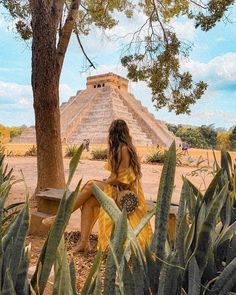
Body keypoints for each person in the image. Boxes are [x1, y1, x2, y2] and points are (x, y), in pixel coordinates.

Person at [43, 119, 152, 252]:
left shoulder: (124, 149)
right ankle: (83, 243)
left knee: (90, 185)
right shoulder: (118, 149)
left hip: (125, 191)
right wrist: (107, 180)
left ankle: (60, 218)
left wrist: (106, 182)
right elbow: (115, 175)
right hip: (116, 188)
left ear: (113, 133)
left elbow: (124, 180)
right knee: (88, 203)